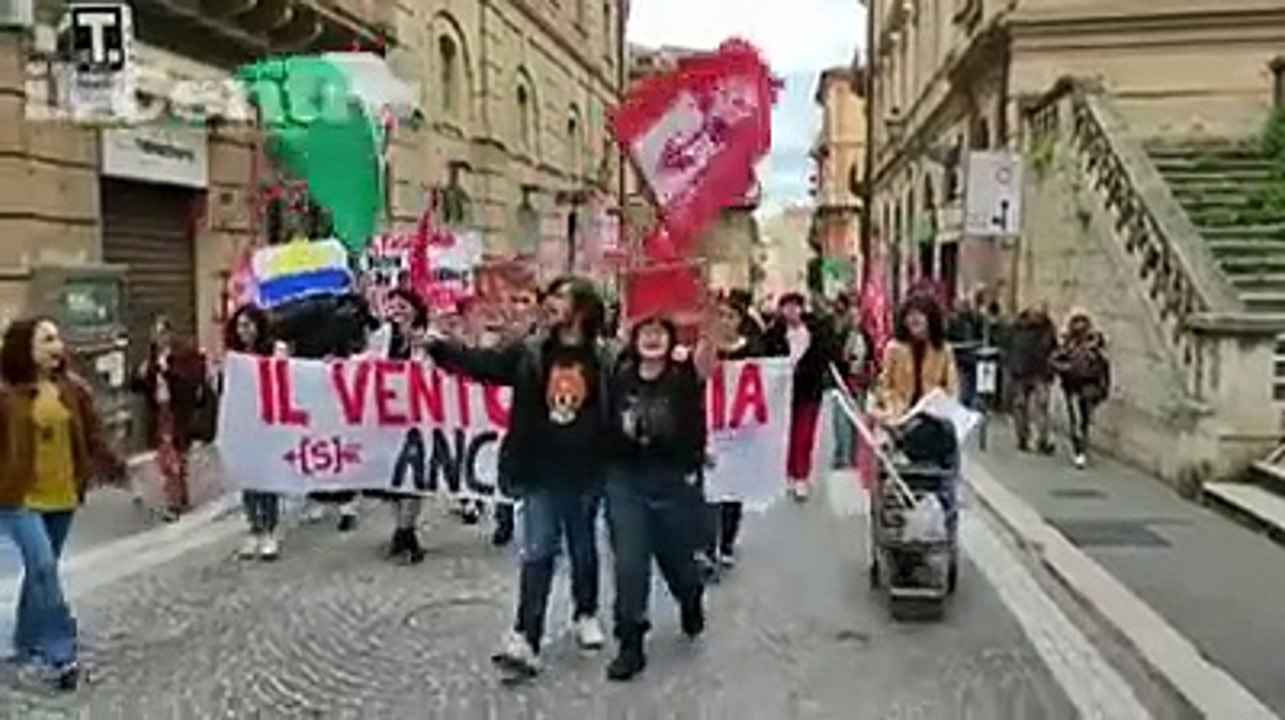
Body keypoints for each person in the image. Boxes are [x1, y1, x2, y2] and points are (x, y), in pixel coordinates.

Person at [426, 276, 610, 680]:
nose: (551, 302)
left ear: (583, 308)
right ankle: (526, 637)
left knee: (582, 545)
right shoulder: (530, 352)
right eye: (551, 295)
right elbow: (485, 365)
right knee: (538, 550)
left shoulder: (604, 359)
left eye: (561, 296)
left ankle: (585, 611)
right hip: (540, 469)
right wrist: (440, 349)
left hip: (586, 472)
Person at [0, 317, 124, 690]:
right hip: (19, 497)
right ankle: (60, 653)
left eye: (57, 338)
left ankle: (25, 641)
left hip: (63, 494)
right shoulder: (6, 394)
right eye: (47, 340)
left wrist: (116, 469)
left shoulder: (73, 389)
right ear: (26, 348)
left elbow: (93, 436)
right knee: (42, 565)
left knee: (42, 571)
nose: (57, 346)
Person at [602, 314, 713, 681]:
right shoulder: (619, 377)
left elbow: (707, 362)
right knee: (630, 563)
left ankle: (690, 597)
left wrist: (708, 321)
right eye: (645, 333)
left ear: (670, 340)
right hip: (625, 479)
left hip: (670, 480)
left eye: (659, 333)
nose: (652, 339)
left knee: (677, 561)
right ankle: (630, 641)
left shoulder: (682, 378)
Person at [705, 294, 777, 568]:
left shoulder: (752, 349)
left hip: (738, 431)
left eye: (731, 316)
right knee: (709, 486)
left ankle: (726, 541)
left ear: (740, 320)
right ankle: (707, 543)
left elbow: (763, 384)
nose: (725, 321)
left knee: (732, 487)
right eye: (720, 315)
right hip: (709, 427)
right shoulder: (705, 349)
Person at [131, 316, 208, 521]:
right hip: (159, 413)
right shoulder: (151, 358)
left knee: (176, 457)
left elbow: (189, 382)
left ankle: (176, 501)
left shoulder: (182, 356)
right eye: (156, 334)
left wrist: (168, 370)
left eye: (163, 333)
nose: (160, 338)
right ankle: (176, 499)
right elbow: (137, 386)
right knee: (167, 458)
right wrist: (142, 374)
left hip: (178, 413)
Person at [762, 293, 837, 501]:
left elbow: (826, 355)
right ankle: (787, 473)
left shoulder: (816, 331)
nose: (791, 311)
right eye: (787, 306)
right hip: (782, 392)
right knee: (786, 433)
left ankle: (801, 475)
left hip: (809, 390)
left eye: (795, 306)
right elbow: (765, 357)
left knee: (804, 435)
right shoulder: (773, 334)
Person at [224, 304, 284, 560]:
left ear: (259, 326)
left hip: (266, 424)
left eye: (247, 325)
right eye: (239, 326)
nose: (243, 331)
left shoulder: (274, 351)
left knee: (265, 479)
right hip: (242, 423)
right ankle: (254, 528)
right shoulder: (234, 356)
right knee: (247, 479)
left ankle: (270, 530)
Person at [378, 288, 432, 564]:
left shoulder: (428, 337)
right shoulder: (381, 337)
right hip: (386, 418)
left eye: (403, 305)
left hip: (419, 417)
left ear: (415, 308)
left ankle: (404, 531)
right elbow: (365, 365)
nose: (397, 310)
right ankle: (403, 532)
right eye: (392, 306)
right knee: (393, 478)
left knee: (413, 475)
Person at [875, 294, 959, 420]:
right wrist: (894, 404)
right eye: (909, 315)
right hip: (899, 414)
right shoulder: (893, 348)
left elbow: (952, 388)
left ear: (931, 319)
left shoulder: (944, 350)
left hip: (933, 415)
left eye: (920, 314)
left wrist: (938, 405)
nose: (914, 319)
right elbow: (884, 386)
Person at [1051, 309, 1110, 469]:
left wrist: (1103, 386)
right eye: (1077, 323)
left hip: (1089, 385)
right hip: (1072, 386)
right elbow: (1055, 359)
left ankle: (1082, 445)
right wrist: (1066, 368)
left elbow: (1104, 365)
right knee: (1076, 420)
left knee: (1084, 419)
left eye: (1082, 323)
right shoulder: (1068, 343)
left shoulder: (1094, 343)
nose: (1079, 326)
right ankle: (1079, 450)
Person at [1007, 301, 1059, 454]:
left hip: (1041, 373)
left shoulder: (1048, 329)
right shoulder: (1017, 327)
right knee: (1020, 406)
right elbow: (1009, 347)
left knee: (1042, 405)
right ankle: (1023, 437)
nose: (1039, 316)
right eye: (1037, 313)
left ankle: (1042, 440)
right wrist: (1011, 366)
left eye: (1042, 313)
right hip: (1021, 372)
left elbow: (1053, 348)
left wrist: (1052, 366)